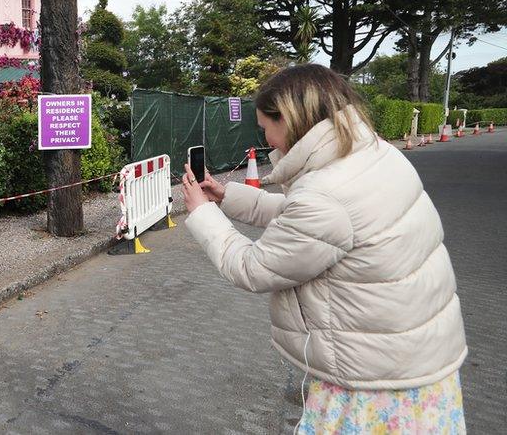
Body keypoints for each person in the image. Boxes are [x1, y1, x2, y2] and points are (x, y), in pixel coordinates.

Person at [180, 65, 467, 433]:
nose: (267, 139)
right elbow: (312, 224)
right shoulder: (372, 155)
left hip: (373, 382)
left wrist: (201, 213)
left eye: (266, 126)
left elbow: (252, 268)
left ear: (289, 120)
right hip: (414, 360)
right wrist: (227, 196)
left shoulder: (324, 195)